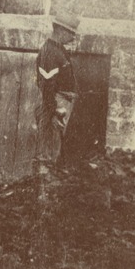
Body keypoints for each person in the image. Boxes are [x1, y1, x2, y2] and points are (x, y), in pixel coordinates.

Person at [36, 13, 81, 173]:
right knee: (50, 145)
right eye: (71, 33)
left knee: (56, 144)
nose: (73, 37)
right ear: (61, 31)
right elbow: (47, 85)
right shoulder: (50, 52)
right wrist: (54, 109)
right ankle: (45, 184)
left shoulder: (57, 49)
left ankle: (50, 181)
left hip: (61, 102)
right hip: (56, 103)